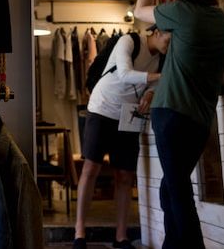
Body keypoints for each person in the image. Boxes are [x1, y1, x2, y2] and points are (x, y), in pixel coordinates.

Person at [132, 0, 224, 249]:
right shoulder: (221, 19)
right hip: (200, 117)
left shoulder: (180, 12)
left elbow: (138, 9)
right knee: (170, 189)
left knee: (178, 191)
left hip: (170, 112)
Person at [73, 24, 171, 249]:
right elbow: (126, 74)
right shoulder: (129, 41)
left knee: (125, 176)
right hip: (103, 108)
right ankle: (79, 233)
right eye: (169, 38)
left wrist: (150, 92)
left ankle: (121, 236)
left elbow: (151, 86)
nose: (170, 43)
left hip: (129, 115)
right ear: (156, 32)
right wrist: (161, 78)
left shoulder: (162, 59)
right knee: (91, 168)